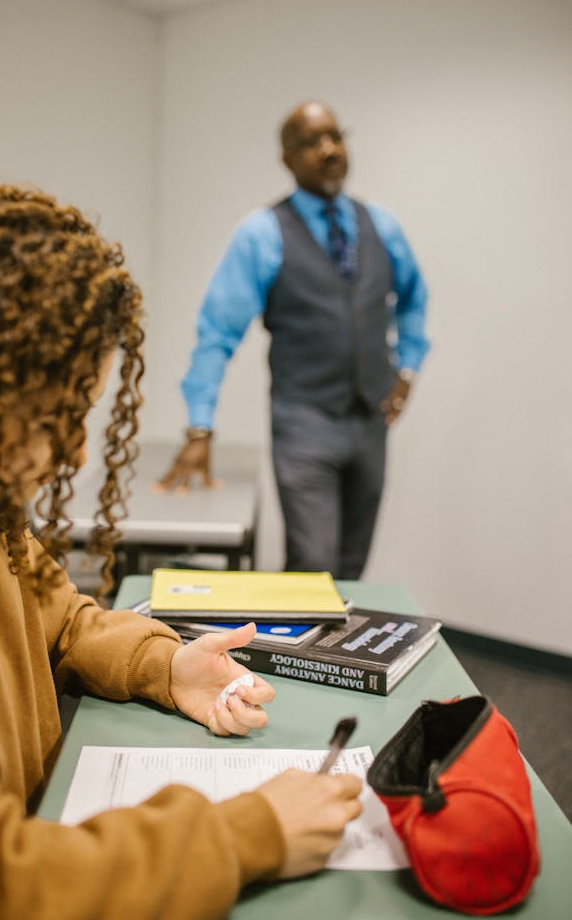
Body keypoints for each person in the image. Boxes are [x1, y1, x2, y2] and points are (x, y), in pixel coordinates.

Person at [0, 179, 363, 920]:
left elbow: (65, 620)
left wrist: (165, 665)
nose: (77, 452)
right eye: (53, 417)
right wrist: (249, 833)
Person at [159, 101, 430, 579]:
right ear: (287, 159)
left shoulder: (381, 225)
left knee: (351, 567)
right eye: (310, 142)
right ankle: (291, 655)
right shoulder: (262, 234)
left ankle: (338, 657)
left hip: (371, 421)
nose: (328, 150)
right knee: (313, 562)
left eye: (335, 136)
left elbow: (414, 300)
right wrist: (200, 427)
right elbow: (217, 333)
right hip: (303, 421)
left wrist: (406, 369)